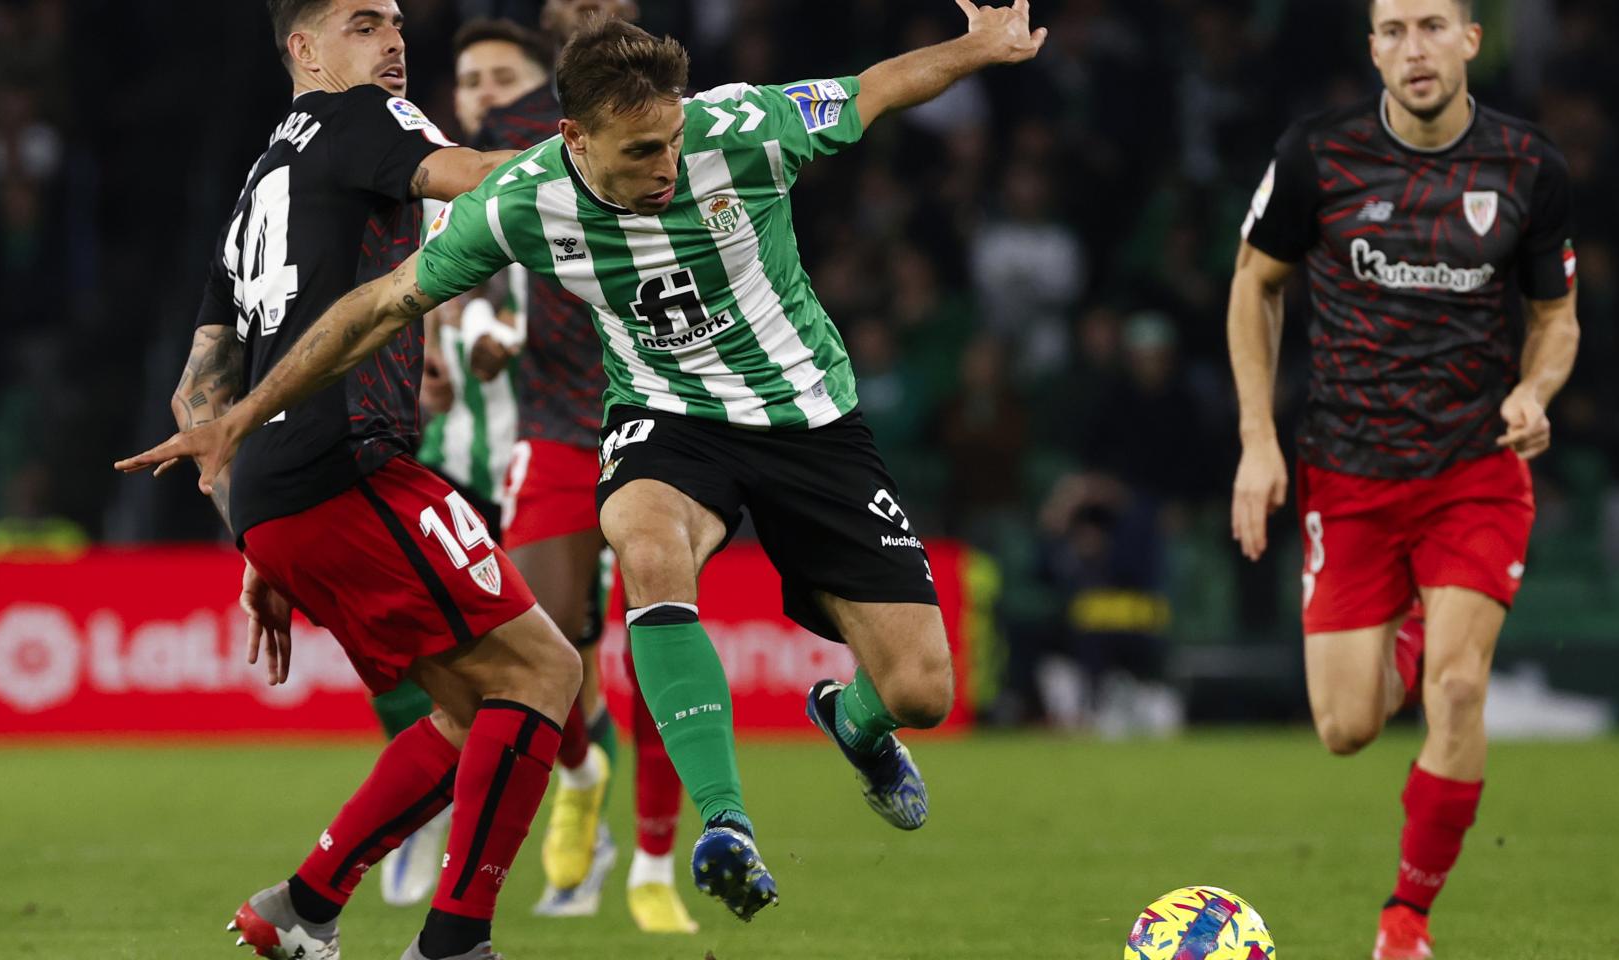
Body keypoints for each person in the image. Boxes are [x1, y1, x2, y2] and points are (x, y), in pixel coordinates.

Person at [118, 2, 1047, 923]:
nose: (665, 167)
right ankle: (722, 826)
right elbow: (379, 307)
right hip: (664, 416)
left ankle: (853, 721)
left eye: (672, 141)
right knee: (642, 545)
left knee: (921, 692)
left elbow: (876, 89)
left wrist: (980, 46)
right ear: (574, 137)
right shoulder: (524, 199)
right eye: (639, 151)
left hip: (809, 419)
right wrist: (243, 415)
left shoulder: (746, 127)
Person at [125, 2, 585, 958]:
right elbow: (478, 180)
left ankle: (303, 906)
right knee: (546, 671)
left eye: (397, 25)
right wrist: (596, 159)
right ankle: (454, 942)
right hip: (349, 462)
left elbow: (197, 393)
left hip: (285, 494)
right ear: (305, 49)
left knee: (472, 710)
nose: (394, 42)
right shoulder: (367, 118)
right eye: (364, 23)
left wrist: (254, 533)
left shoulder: (261, 180)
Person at [1226, 1, 1580, 957]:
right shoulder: (1317, 156)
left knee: (1460, 694)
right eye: (1392, 31)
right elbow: (1255, 283)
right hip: (1347, 474)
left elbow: (1556, 314)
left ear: (1472, 39)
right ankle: (1420, 629)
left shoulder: (1528, 165)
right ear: (1371, 47)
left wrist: (1536, 390)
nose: (1412, 49)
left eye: (1432, 26)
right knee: (1346, 727)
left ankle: (1404, 923)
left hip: (1475, 469)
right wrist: (1259, 443)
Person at [407, 12, 701, 932]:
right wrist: (475, 330)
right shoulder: (503, 153)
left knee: (657, 644)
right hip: (558, 420)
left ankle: (654, 864)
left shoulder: (669, 127)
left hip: (665, 416)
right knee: (537, 652)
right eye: (474, 78)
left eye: (503, 78)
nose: (487, 94)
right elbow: (484, 267)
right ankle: (579, 771)